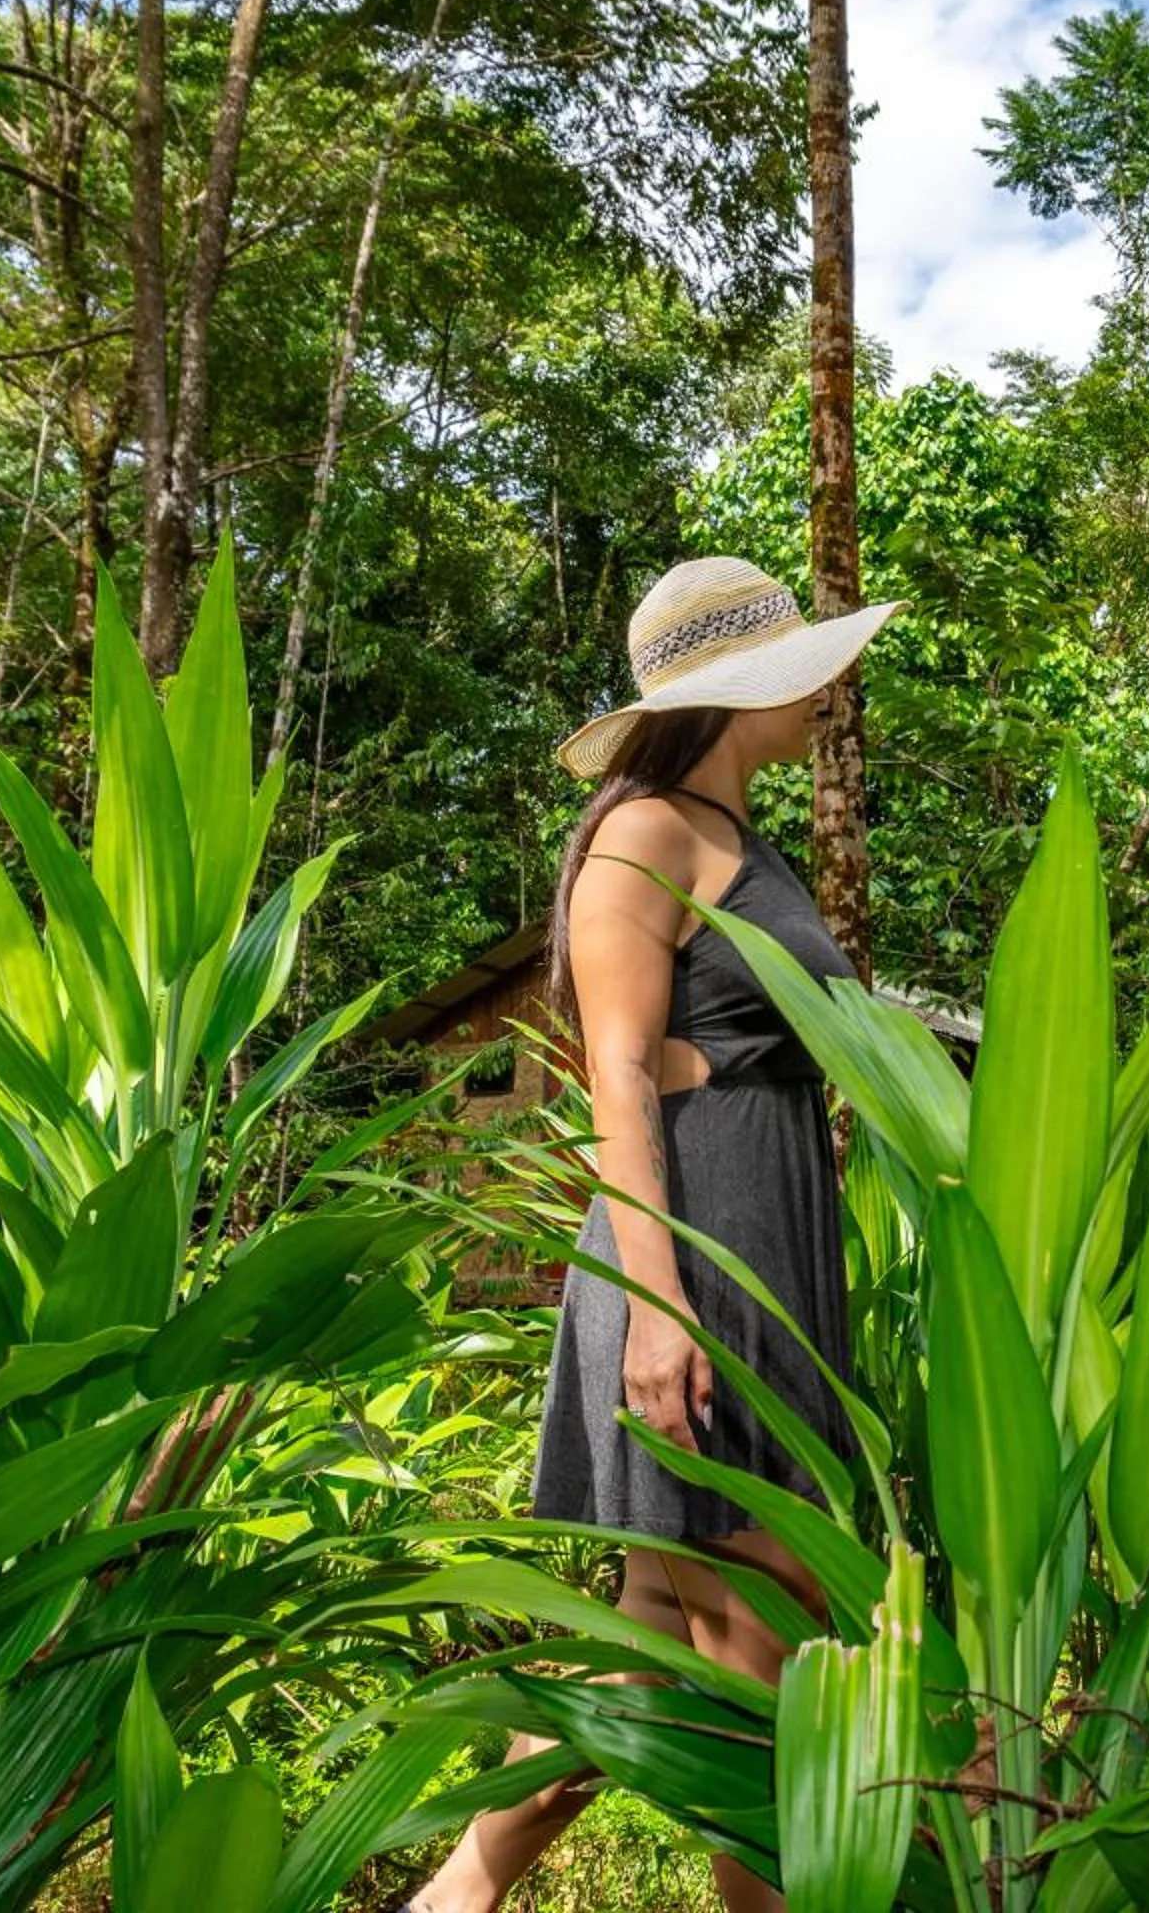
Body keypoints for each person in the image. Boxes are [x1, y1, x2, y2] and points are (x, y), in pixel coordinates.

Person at [402, 555, 901, 1913]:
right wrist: (661, 1308)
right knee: (760, 1631)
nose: (828, 687)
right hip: (694, 1255)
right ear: (735, 692)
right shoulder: (646, 835)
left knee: (643, 1659)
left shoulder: (745, 842)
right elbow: (615, 1072)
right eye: (802, 667)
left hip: (763, 1235)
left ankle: (453, 1898)